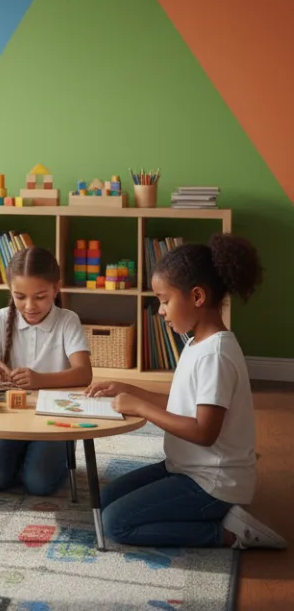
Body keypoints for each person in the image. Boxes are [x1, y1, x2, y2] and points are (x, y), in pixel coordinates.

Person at [89, 235, 285, 549]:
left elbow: (204, 431)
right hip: (184, 467)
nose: (160, 311)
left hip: (214, 485)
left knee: (116, 523)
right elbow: (183, 405)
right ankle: (199, 514)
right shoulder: (198, 343)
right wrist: (129, 389)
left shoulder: (216, 356)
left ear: (196, 296)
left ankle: (230, 534)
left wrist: (141, 407)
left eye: (165, 300)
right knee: (103, 498)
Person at [0, 247, 92, 495]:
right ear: (10, 292)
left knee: (38, 484)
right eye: (20, 296)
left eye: (40, 296)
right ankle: (27, 453)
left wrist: (39, 380)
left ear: (56, 289)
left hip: (54, 420)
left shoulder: (67, 320)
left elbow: (83, 374)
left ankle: (48, 455)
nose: (29, 306)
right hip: (12, 416)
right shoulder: (2, 318)